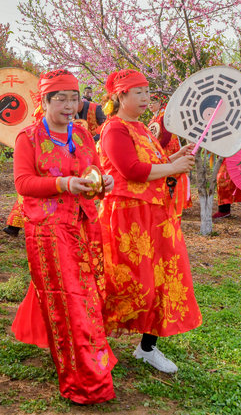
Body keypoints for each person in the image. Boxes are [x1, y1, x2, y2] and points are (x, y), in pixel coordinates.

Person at [11, 70, 117, 404]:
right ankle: (85, 380)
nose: (71, 106)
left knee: (89, 297)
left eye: (75, 98)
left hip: (85, 224)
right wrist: (64, 184)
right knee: (71, 301)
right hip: (49, 230)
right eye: (62, 99)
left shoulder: (84, 135)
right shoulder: (28, 138)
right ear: (44, 101)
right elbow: (23, 183)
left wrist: (104, 182)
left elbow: (94, 170)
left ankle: (91, 358)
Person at [98, 69, 201, 374]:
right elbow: (131, 170)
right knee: (125, 281)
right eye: (138, 92)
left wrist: (173, 160)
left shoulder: (141, 128)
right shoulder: (114, 129)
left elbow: (151, 165)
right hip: (127, 218)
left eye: (147, 92)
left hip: (156, 216)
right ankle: (94, 341)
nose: (146, 98)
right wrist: (172, 168)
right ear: (120, 96)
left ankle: (147, 347)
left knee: (162, 281)